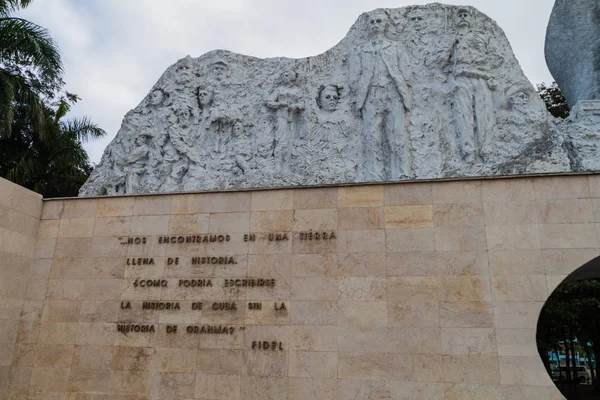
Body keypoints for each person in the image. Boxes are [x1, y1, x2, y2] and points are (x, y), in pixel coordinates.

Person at [350, 9, 412, 180]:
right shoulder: (361, 49)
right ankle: (373, 176)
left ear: (386, 24)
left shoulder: (397, 47)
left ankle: (400, 173)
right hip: (371, 95)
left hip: (393, 94)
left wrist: (402, 89)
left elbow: (406, 72)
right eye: (372, 22)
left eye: (379, 21)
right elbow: (354, 75)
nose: (375, 25)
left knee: (397, 136)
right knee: (371, 137)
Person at [449, 7, 503, 163]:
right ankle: (468, 153)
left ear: (471, 19)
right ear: (455, 20)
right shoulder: (451, 39)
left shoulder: (482, 37)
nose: (463, 17)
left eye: (466, 15)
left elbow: (496, 58)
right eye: (460, 15)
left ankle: (487, 151)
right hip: (461, 79)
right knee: (463, 116)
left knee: (484, 115)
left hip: (481, 79)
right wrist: (451, 45)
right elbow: (439, 63)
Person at [265, 69, 304, 172]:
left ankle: (286, 167)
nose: (284, 77)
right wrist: (280, 104)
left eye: (286, 75)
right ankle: (278, 166)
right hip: (281, 117)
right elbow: (269, 102)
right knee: (280, 140)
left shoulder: (297, 90)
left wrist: (294, 106)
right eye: (283, 75)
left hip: (292, 119)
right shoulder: (279, 89)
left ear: (291, 77)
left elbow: (302, 104)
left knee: (290, 142)